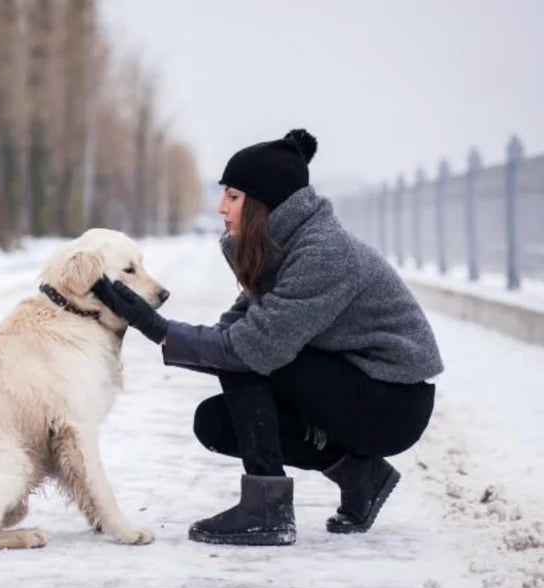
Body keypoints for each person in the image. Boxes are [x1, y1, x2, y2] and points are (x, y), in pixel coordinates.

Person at [91, 129, 443, 546]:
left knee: (250, 354)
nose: (221, 207)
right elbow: (230, 335)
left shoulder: (323, 254)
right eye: (222, 194)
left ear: (264, 204)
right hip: (353, 387)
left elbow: (247, 347)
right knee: (217, 423)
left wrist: (153, 326)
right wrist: (149, 323)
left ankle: (267, 511)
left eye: (233, 197)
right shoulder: (281, 247)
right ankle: (359, 475)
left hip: (393, 402)